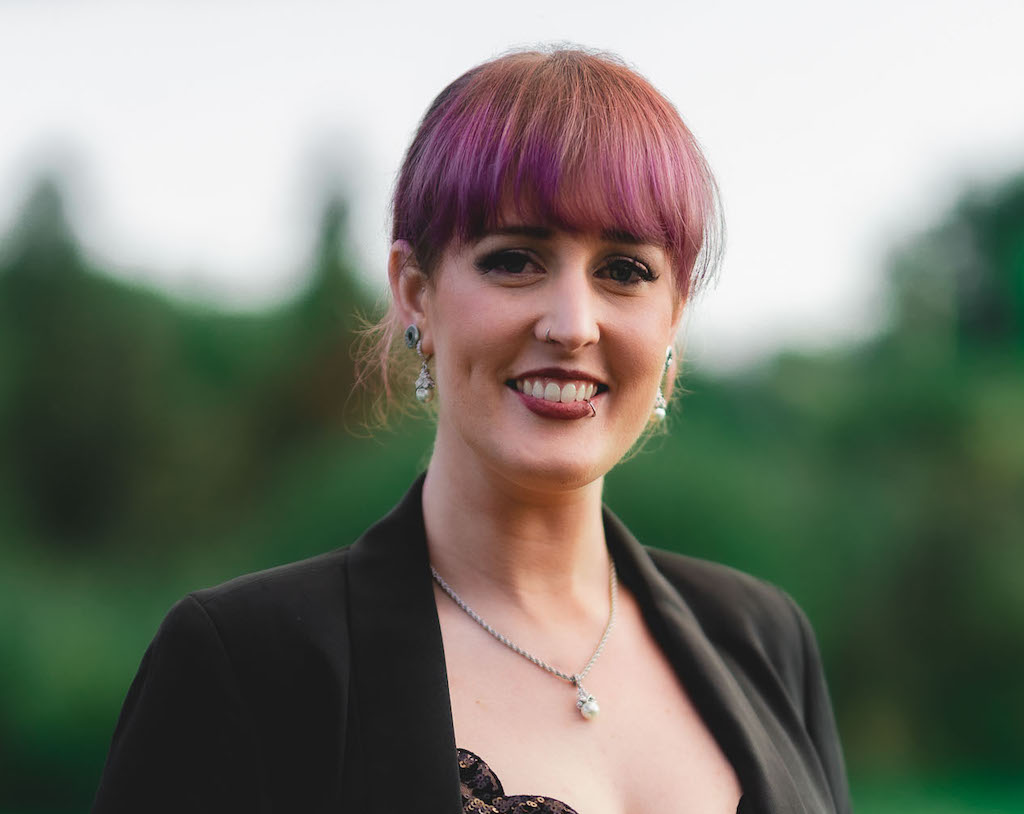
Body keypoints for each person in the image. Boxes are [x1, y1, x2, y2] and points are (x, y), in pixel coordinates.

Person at [92, 47, 851, 814]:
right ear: (416, 294)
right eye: (515, 260)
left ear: (674, 319)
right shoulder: (245, 666)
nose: (572, 325)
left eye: (623, 271)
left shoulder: (764, 640)